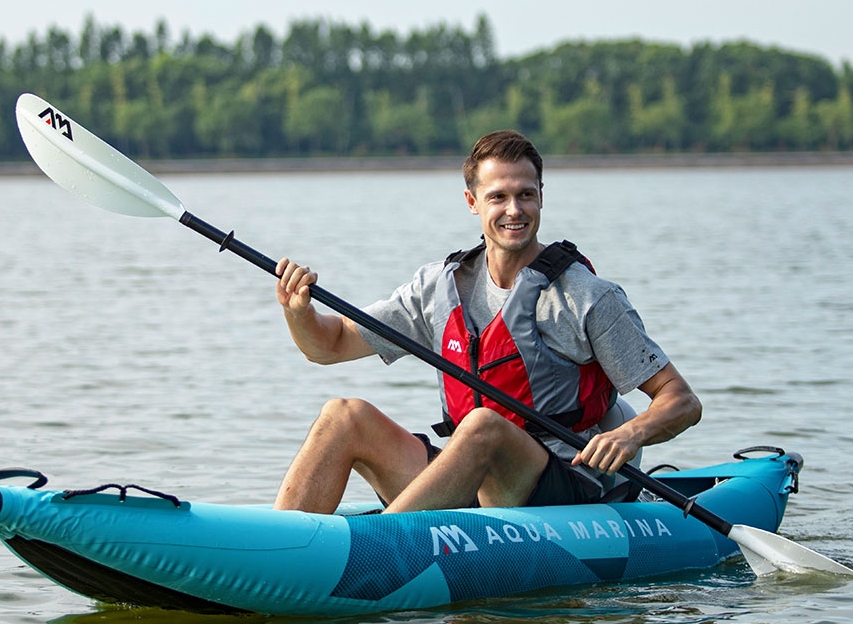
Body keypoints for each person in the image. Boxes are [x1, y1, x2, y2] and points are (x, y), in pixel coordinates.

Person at [272, 130, 701, 514]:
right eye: (498, 197)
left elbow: (680, 400)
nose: (514, 210)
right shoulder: (438, 289)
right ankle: (274, 548)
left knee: (482, 426)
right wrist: (299, 313)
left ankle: (385, 545)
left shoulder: (585, 296)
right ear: (472, 202)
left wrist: (632, 434)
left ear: (541, 197)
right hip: (471, 478)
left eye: (526, 195)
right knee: (343, 415)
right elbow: (326, 346)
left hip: (560, 485)